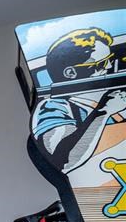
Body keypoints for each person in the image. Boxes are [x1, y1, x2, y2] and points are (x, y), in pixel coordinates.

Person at [30, 27, 126, 174]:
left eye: (109, 60)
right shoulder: (54, 106)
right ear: (70, 73)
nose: (109, 66)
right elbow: (64, 160)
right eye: (101, 63)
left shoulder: (117, 96)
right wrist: (103, 112)